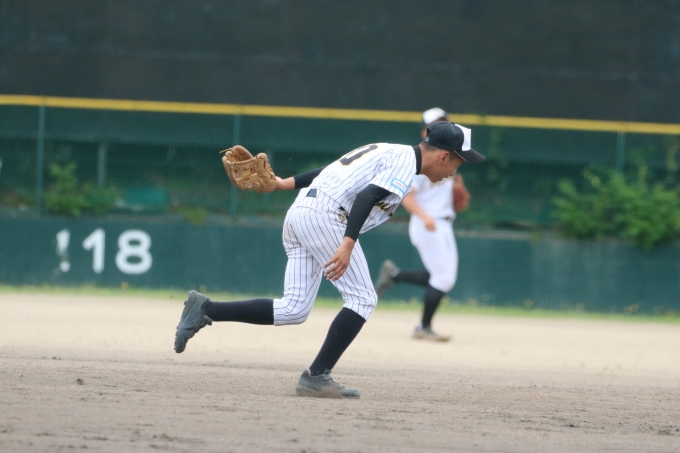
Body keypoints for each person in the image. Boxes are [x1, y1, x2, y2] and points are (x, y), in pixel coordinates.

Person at [174, 121, 484, 398]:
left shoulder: (391, 152)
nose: (454, 173)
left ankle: (205, 309)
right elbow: (366, 197)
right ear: (443, 156)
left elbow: (331, 172)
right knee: (363, 298)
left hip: (302, 213)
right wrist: (348, 243)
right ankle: (317, 376)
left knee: (294, 308)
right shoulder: (404, 165)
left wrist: (284, 183)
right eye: (458, 163)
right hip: (325, 217)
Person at [374, 108, 471, 342]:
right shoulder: (421, 162)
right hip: (428, 222)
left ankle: (395, 275)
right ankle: (423, 327)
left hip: (443, 222)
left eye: (444, 124)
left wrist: (460, 193)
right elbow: (406, 196)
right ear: (424, 132)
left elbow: (458, 204)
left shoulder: (447, 159)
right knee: (443, 277)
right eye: (434, 125)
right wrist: (424, 216)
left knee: (443, 276)